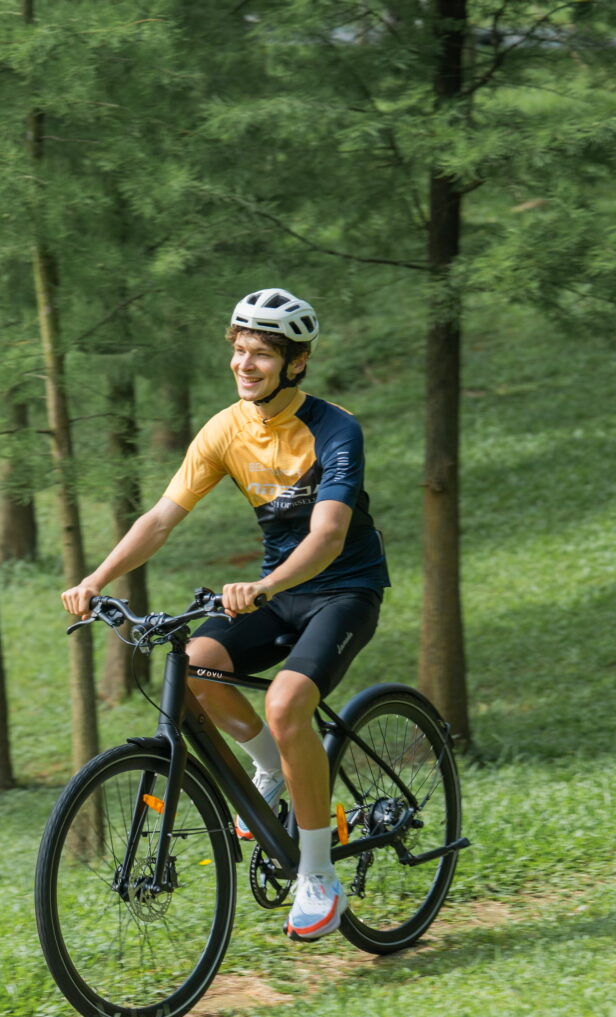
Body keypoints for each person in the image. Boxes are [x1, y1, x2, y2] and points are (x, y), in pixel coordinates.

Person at [60, 288, 388, 942]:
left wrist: (265, 585)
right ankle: (270, 767)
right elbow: (159, 519)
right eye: (239, 350)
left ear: (295, 364)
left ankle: (319, 879)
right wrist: (97, 578)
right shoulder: (225, 430)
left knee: (288, 702)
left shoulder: (333, 429)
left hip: (343, 589)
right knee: (200, 671)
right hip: (273, 591)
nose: (245, 363)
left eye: (262, 354)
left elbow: (326, 536)